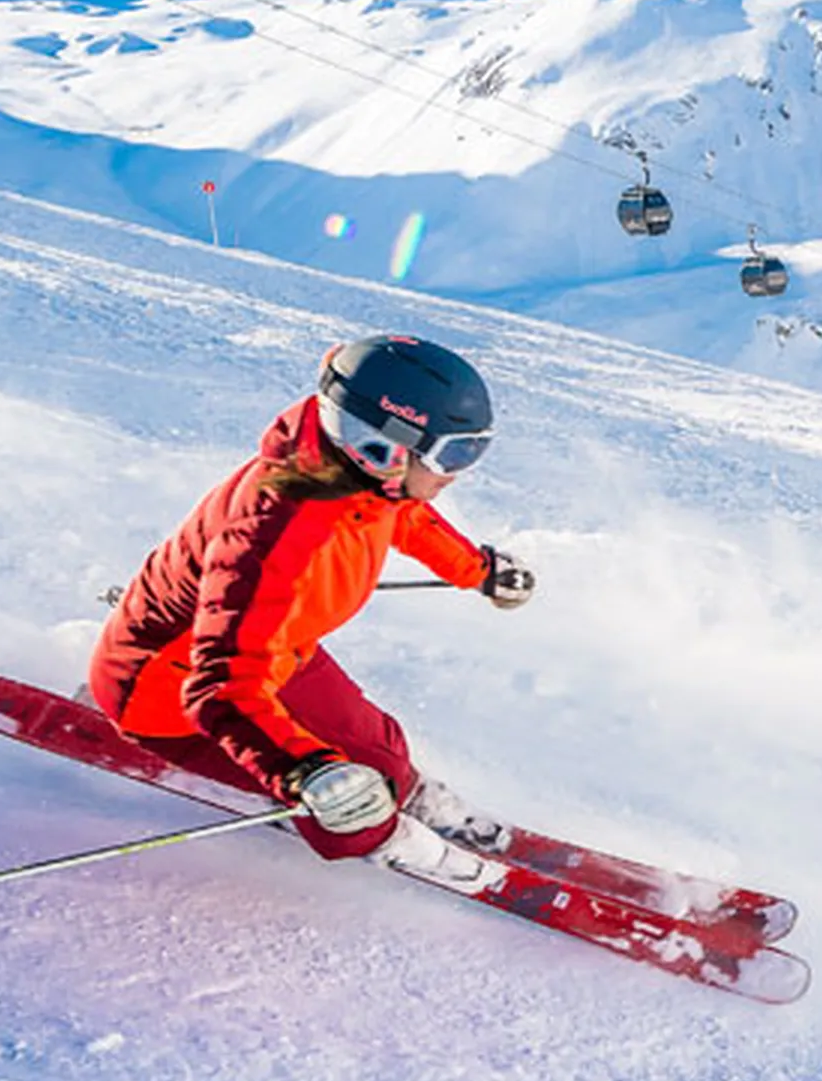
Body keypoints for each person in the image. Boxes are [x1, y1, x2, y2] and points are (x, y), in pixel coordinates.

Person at [85, 335, 540, 890]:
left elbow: (405, 518)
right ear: (382, 446)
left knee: (380, 748)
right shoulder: (274, 541)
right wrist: (307, 772)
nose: (458, 472)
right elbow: (220, 688)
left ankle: (407, 794)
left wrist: (478, 570)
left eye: (473, 451)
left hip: (278, 651)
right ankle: (386, 838)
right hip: (167, 697)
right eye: (453, 454)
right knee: (349, 797)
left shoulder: (357, 478)